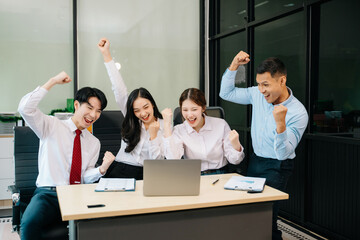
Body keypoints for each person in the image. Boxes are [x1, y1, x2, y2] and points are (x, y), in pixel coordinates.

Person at [219, 50, 309, 240]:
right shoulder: (256, 94)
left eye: (266, 85)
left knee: (267, 216)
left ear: (282, 81)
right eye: (259, 84)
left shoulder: (299, 112)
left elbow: (284, 152)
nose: (261, 90)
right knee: (251, 211)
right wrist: (234, 65)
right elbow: (226, 92)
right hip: (256, 160)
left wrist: (280, 125)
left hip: (278, 165)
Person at [18, 71, 114, 240]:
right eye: (89, 108)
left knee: (101, 223)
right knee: (29, 223)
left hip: (78, 194)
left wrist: (101, 169)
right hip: (48, 194)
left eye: (98, 111)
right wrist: (52, 81)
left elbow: (84, 176)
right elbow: (25, 109)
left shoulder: (93, 142)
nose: (93, 115)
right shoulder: (51, 125)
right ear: (77, 105)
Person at [98, 38, 164, 180]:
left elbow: (159, 161)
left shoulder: (164, 126)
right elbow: (119, 88)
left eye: (146, 107)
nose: (143, 113)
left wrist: (153, 136)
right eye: (137, 110)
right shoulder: (131, 118)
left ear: (152, 104)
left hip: (148, 174)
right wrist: (106, 54)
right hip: (120, 169)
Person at [161, 88, 245, 174]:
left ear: (203, 108)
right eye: (185, 110)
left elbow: (235, 161)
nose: (189, 115)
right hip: (193, 176)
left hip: (220, 174)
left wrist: (236, 145)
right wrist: (167, 125)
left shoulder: (221, 125)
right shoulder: (179, 130)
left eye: (194, 109)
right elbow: (173, 158)